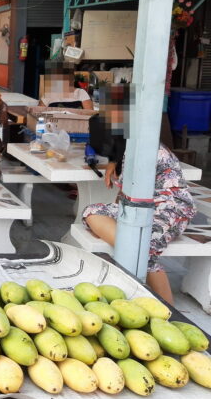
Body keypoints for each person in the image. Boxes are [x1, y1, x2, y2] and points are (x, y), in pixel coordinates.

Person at [83, 85, 196, 304]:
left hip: (172, 207)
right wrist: (114, 163)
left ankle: (169, 312)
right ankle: (131, 247)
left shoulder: (144, 147)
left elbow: (136, 193)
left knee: (147, 252)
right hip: (141, 208)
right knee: (91, 211)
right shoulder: (129, 144)